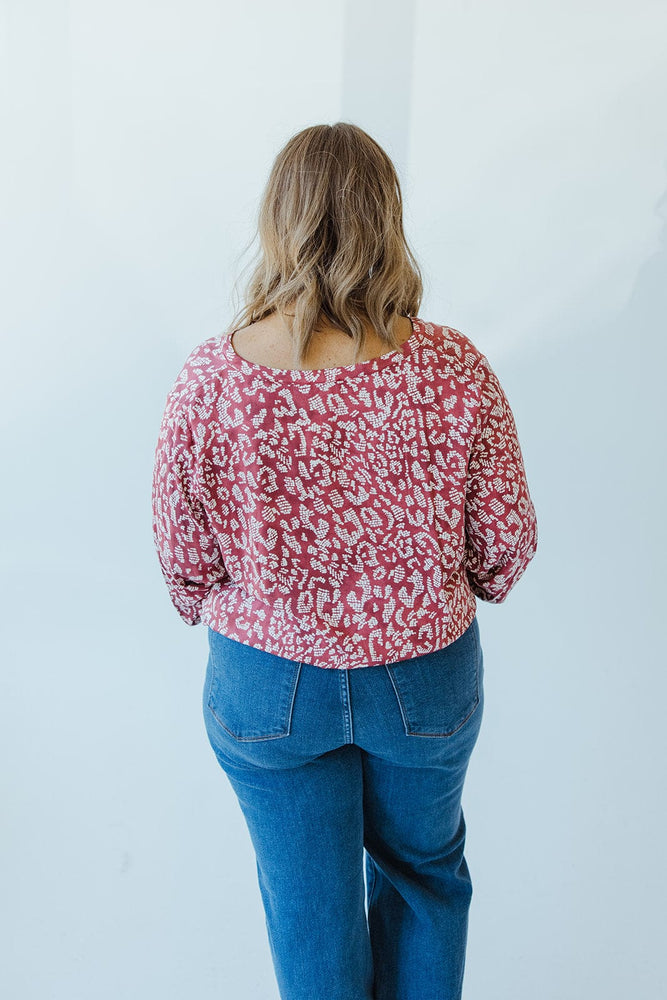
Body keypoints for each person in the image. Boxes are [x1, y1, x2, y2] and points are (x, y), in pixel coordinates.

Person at [151, 122, 538, 1000]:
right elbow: (505, 554)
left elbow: (183, 573)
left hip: (269, 684)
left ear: (277, 223)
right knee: (424, 878)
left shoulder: (211, 381)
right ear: (385, 221)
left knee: (309, 909)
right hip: (424, 684)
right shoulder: (454, 371)